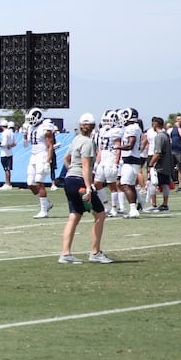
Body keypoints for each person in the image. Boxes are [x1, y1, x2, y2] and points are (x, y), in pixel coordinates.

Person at [57, 113, 111, 264]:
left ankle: (65, 253)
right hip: (80, 181)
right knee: (100, 214)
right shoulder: (87, 143)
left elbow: (66, 159)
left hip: (70, 179)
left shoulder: (76, 140)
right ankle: (95, 252)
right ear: (93, 127)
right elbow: (86, 166)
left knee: (74, 215)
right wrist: (88, 186)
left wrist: (71, 172)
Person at [21, 108, 57, 218]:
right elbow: (26, 144)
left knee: (39, 182)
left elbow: (50, 146)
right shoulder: (31, 128)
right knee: (30, 183)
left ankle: (44, 211)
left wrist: (47, 161)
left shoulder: (46, 128)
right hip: (33, 156)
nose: (30, 121)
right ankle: (46, 204)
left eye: (32, 119)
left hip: (42, 155)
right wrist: (24, 135)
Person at [144, 116, 173, 214]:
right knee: (165, 184)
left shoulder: (159, 136)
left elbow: (158, 153)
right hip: (167, 164)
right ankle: (165, 204)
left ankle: (153, 204)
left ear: (155, 124)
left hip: (160, 165)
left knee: (152, 183)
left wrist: (151, 164)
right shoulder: (166, 135)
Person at [0, 120, 18, 189]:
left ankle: (7, 183)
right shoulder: (11, 132)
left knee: (6, 169)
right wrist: (10, 145)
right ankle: (8, 183)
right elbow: (15, 143)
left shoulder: (4, 133)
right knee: (8, 169)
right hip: (10, 153)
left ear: (2, 126)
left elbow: (4, 143)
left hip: (4, 153)